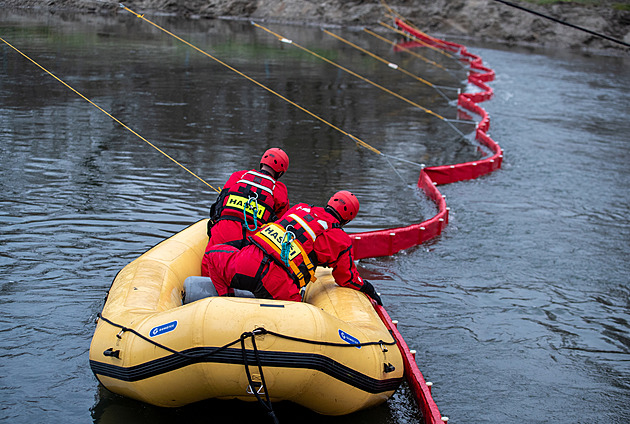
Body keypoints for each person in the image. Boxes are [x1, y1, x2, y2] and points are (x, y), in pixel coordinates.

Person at [201, 190, 383, 305]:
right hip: (279, 286)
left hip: (247, 263)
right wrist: (367, 288)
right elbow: (346, 278)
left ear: (330, 202)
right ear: (348, 219)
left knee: (211, 255)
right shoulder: (341, 240)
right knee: (299, 319)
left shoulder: (300, 208)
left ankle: (225, 300)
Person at [206, 147, 290, 248]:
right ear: (280, 173)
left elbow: (219, 205)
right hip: (248, 246)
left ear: (262, 162)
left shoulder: (238, 176)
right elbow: (280, 224)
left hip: (219, 238)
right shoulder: (279, 190)